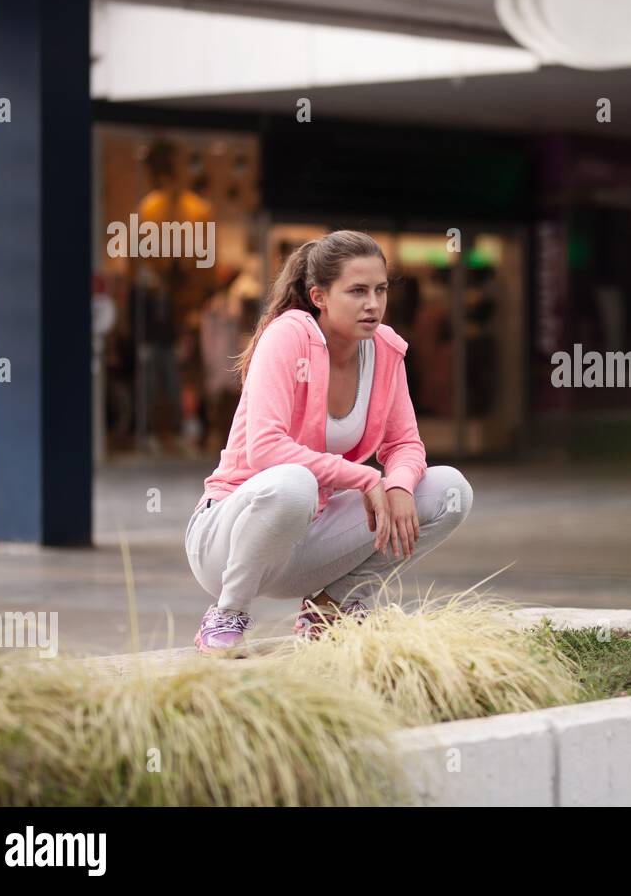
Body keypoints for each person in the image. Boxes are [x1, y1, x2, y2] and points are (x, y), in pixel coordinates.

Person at [185, 230, 473, 655]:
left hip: (308, 539)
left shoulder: (384, 351)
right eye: (357, 291)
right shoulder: (288, 336)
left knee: (450, 491)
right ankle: (226, 614)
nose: (373, 304)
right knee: (293, 483)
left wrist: (396, 484)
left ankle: (330, 609)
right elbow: (264, 448)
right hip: (227, 541)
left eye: (380, 290)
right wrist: (363, 478)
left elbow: (406, 444)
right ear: (319, 296)